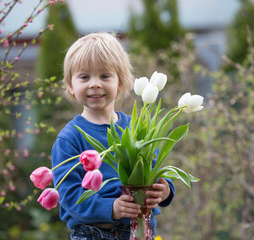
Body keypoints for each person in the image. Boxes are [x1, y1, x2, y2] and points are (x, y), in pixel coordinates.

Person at [51, 32, 175, 240]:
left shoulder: (137, 128)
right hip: (92, 234)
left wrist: (165, 191)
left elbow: (155, 168)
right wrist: (112, 207)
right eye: (84, 77)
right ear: (71, 85)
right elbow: (69, 196)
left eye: (105, 76)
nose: (95, 84)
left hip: (142, 231)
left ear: (121, 82)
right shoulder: (70, 138)